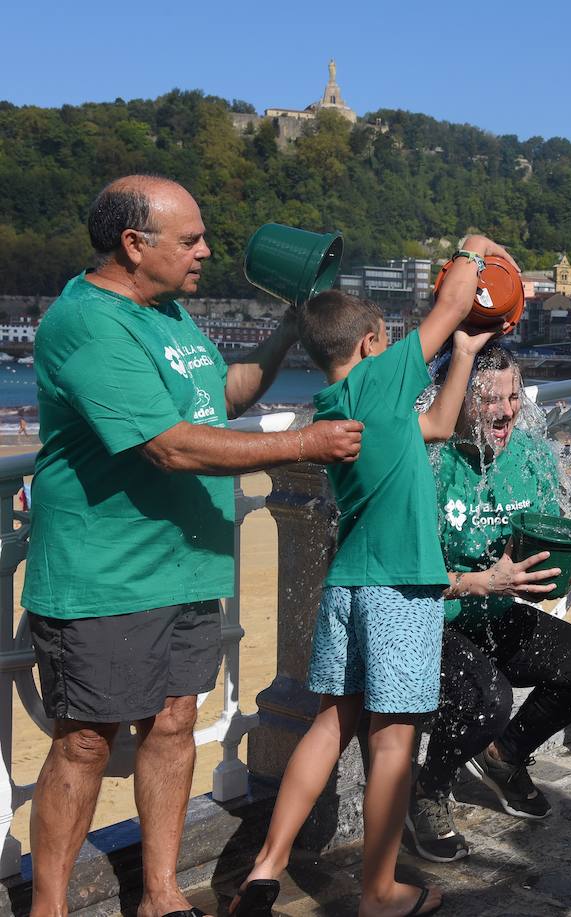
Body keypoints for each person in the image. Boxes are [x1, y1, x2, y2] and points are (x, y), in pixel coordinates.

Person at [22, 175, 363, 917]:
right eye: (191, 239)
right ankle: (48, 906)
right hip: (104, 570)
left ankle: (162, 892)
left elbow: (227, 395)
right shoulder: (87, 323)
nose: (207, 250)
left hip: (187, 563)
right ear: (134, 243)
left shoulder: (172, 315)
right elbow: (170, 447)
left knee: (176, 724)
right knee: (83, 743)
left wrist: (286, 328)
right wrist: (305, 441)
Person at [231, 237, 513, 917]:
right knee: (393, 739)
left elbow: (440, 424)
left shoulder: (335, 406)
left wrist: (467, 353)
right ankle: (380, 890)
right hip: (399, 585)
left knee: (330, 724)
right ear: (371, 340)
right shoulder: (379, 378)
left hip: (348, 583)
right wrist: (471, 251)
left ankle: (265, 867)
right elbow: (450, 301)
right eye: (387, 341)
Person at [407, 344, 571, 861]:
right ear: (457, 401)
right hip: (432, 620)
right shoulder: (427, 459)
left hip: (496, 612)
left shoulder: (530, 454)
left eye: (511, 397)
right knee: (490, 697)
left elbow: (544, 538)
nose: (503, 411)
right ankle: (428, 791)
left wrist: (564, 565)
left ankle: (505, 755)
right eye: (487, 399)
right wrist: (478, 581)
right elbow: (407, 575)